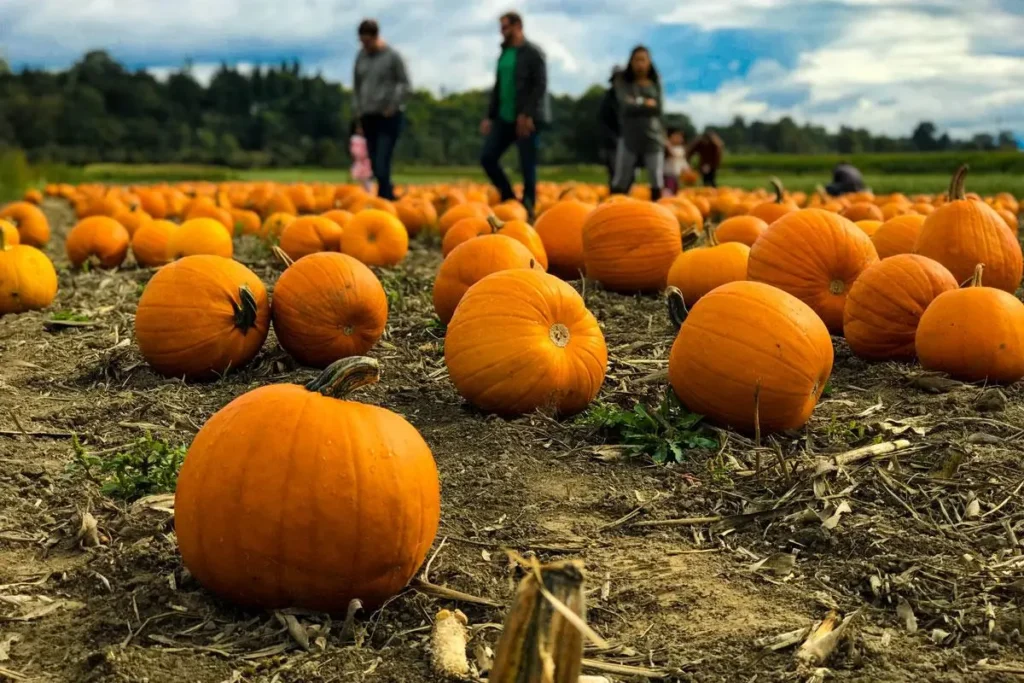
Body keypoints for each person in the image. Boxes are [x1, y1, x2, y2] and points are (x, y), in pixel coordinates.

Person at [480, 11, 550, 220]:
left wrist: (527, 114)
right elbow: (499, 87)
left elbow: (540, 86)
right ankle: (509, 197)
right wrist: (489, 116)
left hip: (526, 118)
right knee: (487, 157)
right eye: (501, 28)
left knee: (527, 163)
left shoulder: (533, 52)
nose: (502, 32)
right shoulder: (504, 53)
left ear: (518, 26)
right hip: (504, 117)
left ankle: (528, 205)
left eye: (506, 27)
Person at [352, 19, 410, 200]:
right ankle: (387, 195)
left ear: (376, 37)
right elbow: (357, 86)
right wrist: (358, 114)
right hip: (368, 116)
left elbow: (405, 84)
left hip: (388, 116)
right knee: (375, 164)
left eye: (368, 41)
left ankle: (386, 199)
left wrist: (392, 105)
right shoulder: (361, 57)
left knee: (382, 161)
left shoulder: (392, 56)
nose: (365, 45)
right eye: (362, 42)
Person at [610, 45, 665, 201]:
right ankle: (613, 210)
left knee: (655, 176)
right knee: (622, 176)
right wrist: (646, 103)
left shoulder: (655, 82)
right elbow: (625, 105)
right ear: (631, 62)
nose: (640, 64)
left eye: (643, 60)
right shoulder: (623, 81)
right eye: (636, 60)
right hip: (629, 136)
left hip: (653, 136)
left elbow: (659, 108)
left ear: (649, 62)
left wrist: (636, 102)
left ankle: (658, 212)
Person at [597, 66, 623, 190]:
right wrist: (612, 138)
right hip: (612, 142)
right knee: (614, 173)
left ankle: (626, 199)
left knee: (628, 174)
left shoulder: (628, 97)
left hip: (628, 142)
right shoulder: (608, 99)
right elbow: (603, 122)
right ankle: (615, 197)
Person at [663, 127, 690, 197]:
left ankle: (672, 203)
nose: (680, 139)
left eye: (681, 137)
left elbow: (682, 161)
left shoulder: (680, 149)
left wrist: (687, 169)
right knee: (668, 192)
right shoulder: (666, 148)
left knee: (675, 192)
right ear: (670, 137)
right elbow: (671, 154)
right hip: (667, 175)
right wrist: (667, 142)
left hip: (676, 175)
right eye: (677, 136)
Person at [349, 121, 373, 192]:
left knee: (367, 178)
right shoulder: (355, 139)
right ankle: (360, 192)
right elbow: (354, 151)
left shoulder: (368, 139)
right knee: (358, 178)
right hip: (359, 161)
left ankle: (368, 191)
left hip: (366, 162)